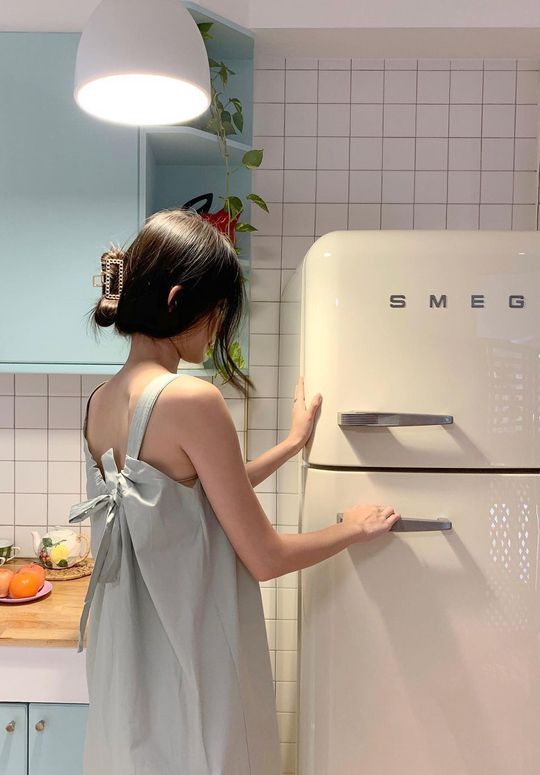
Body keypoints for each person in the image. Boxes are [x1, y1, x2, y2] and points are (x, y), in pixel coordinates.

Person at [68, 208, 401, 775]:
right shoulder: (189, 399)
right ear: (179, 301)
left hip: (129, 655)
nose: (220, 324)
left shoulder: (100, 401)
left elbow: (186, 498)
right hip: (191, 648)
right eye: (218, 309)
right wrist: (353, 527)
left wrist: (291, 445)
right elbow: (266, 558)